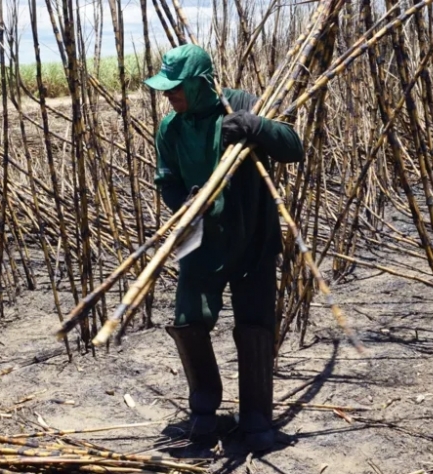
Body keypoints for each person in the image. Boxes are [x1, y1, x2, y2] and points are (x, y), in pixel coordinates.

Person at [143, 43, 304, 452]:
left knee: (255, 325)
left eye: (176, 88)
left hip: (252, 235)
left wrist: (255, 126)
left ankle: (255, 421)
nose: (169, 96)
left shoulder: (242, 104)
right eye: (166, 90)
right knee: (189, 320)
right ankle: (203, 414)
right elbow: (168, 179)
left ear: (200, 84)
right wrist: (185, 204)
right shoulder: (171, 128)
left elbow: (293, 147)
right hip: (200, 239)